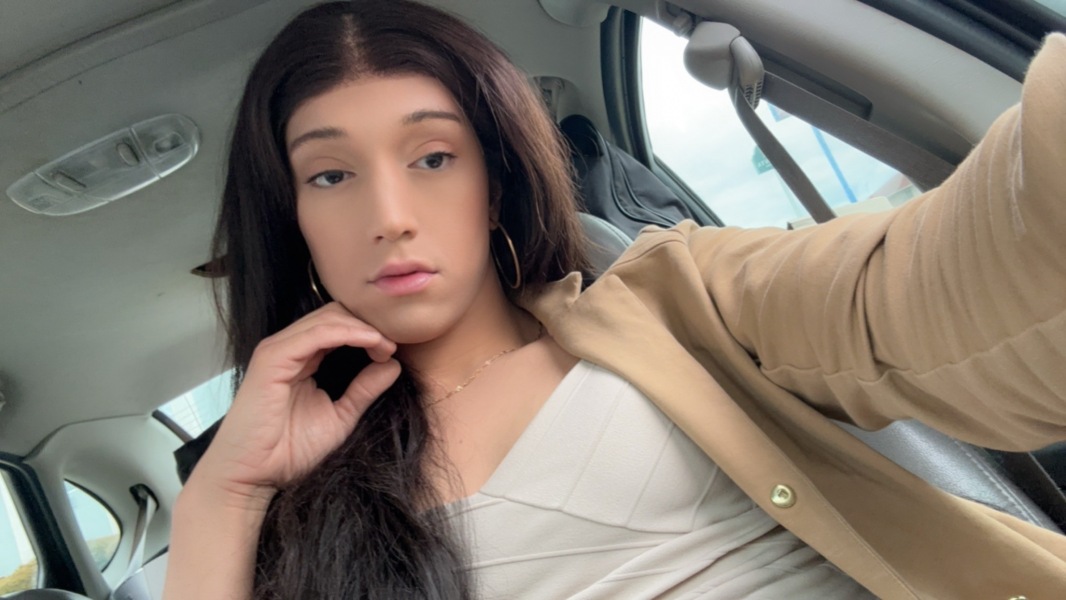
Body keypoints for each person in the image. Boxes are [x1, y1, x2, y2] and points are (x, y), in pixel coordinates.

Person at [162, 0, 1066, 598]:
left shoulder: (675, 296)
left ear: (494, 181)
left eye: (433, 157)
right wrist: (224, 496)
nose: (389, 217)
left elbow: (921, 291)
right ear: (293, 220)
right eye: (330, 175)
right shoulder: (299, 506)